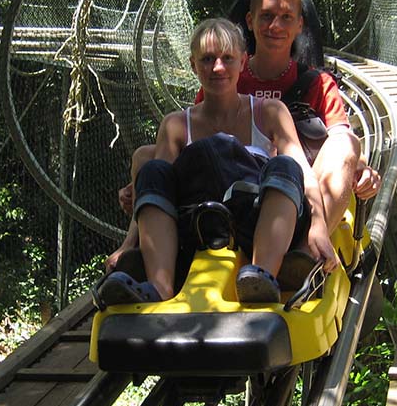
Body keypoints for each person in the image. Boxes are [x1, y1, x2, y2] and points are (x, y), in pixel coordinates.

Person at [107, 0, 378, 271]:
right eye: (267, 17)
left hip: (296, 179)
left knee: (342, 145)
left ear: (300, 25)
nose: (275, 26)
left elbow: (342, 139)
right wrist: (145, 183)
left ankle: (303, 252)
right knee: (145, 157)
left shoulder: (316, 83)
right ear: (250, 21)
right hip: (232, 180)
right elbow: (199, 136)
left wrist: (361, 167)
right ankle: (143, 246)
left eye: (286, 17)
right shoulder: (225, 77)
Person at [95, 18, 336, 306]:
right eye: (207, 59)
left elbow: (304, 174)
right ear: (193, 65)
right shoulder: (176, 125)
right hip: (198, 225)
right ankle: (159, 286)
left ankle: (261, 277)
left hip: (256, 219)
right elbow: (154, 189)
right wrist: (127, 244)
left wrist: (319, 225)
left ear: (243, 62)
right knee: (153, 168)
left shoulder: (269, 112)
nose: (217, 68)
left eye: (227, 58)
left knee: (285, 166)